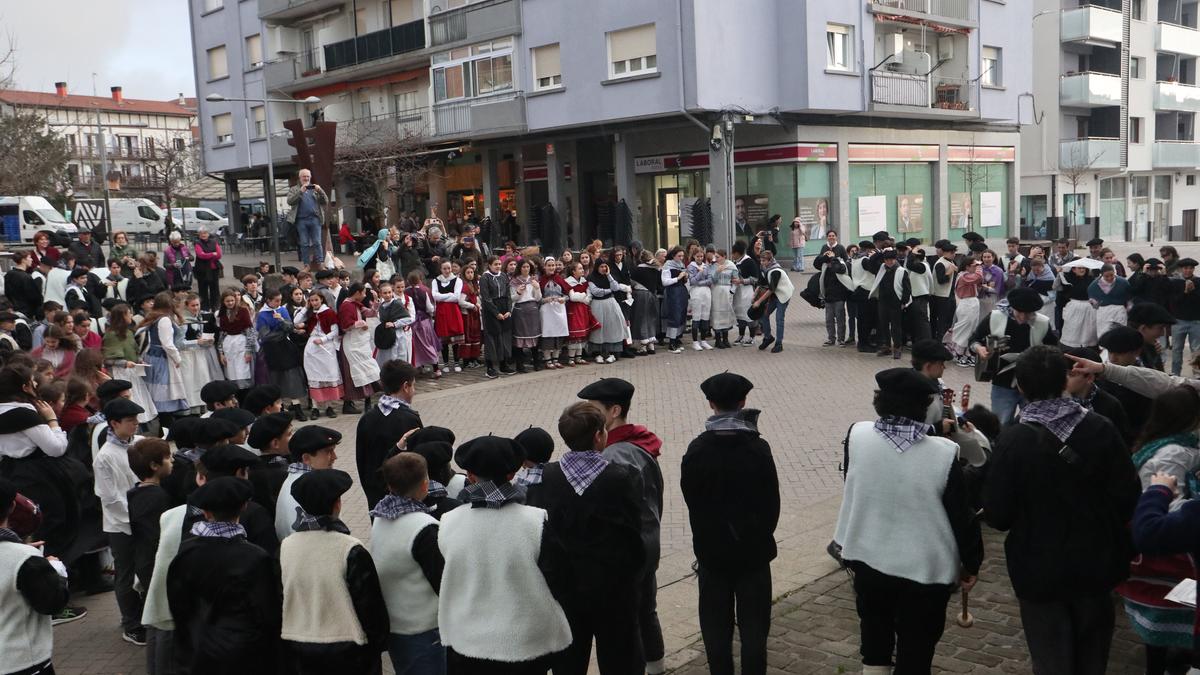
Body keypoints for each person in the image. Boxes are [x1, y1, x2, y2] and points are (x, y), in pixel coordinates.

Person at [983, 346, 1140, 675]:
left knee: (1050, 657)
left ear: (1021, 387)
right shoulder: (1101, 428)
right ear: (1064, 381)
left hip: (1039, 568)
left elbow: (998, 515)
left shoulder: (1012, 441)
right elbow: (1128, 496)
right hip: (1096, 562)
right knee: (1093, 656)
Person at [834, 368, 982, 675]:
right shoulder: (943, 454)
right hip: (924, 570)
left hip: (867, 556)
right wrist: (971, 562)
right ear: (925, 407)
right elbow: (961, 517)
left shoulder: (857, 435)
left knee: (874, 640)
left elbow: (855, 482)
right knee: (917, 647)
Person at [526, 402, 644, 674]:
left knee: (568, 663)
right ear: (599, 436)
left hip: (563, 592)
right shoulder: (622, 477)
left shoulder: (544, 478)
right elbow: (632, 538)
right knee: (620, 660)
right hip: (613, 591)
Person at [438, 435, 572, 672]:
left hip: (468, 642)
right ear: (512, 474)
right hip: (525, 644)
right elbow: (560, 579)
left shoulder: (448, 523)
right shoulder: (535, 522)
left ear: (469, 475)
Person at [681, 372, 778, 675]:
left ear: (711, 403)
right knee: (754, 626)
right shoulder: (758, 449)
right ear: (743, 402)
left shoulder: (697, 450)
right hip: (753, 553)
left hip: (712, 554)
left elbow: (692, 501)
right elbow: (771, 504)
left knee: (715, 626)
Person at [578, 378, 667, 674]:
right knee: (646, 611)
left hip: (631, 549)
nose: (586, 414)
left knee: (628, 618)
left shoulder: (616, 455)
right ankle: (656, 666)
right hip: (648, 538)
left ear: (614, 411)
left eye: (593, 408)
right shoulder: (638, 442)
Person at [1114, 387, 1200, 673]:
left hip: (1152, 535)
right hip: (1165, 550)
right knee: (1166, 609)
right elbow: (1168, 503)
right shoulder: (1174, 452)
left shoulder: (1157, 441)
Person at [167, 477, 283, 675]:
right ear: (244, 506)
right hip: (243, 654)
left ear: (206, 512)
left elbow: (178, 606)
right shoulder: (255, 557)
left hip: (197, 650)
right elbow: (268, 613)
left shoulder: (185, 553)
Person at [281, 469, 389, 674]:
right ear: (337, 504)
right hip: (346, 649)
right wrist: (378, 644)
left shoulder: (286, 547)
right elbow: (370, 606)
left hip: (297, 645)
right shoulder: (350, 549)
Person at [371, 453, 445, 675]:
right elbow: (443, 581)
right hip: (424, 631)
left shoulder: (381, 515)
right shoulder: (424, 527)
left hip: (396, 626)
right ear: (425, 484)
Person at [0, 477, 70, 675]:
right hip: (22, 662)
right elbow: (52, 603)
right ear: (12, 506)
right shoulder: (24, 558)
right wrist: (55, 569)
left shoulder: (22, 556)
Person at [94, 397, 147, 645]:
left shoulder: (140, 444)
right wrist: (135, 517)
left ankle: (145, 615)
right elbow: (110, 497)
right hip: (120, 524)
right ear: (114, 423)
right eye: (130, 421)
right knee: (125, 575)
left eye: (136, 419)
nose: (136, 424)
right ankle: (131, 624)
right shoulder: (105, 456)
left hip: (143, 519)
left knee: (146, 570)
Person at [969, 287, 1060, 425]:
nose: (1022, 317)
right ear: (1012, 307)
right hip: (1002, 382)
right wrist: (979, 349)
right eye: (1019, 312)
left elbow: (1054, 351)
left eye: (1028, 314)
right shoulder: (995, 317)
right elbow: (974, 340)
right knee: (1001, 424)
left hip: (1033, 384)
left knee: (1032, 424)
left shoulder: (1042, 323)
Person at [356, 361, 423, 511]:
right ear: (405, 386)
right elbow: (417, 461)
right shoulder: (409, 419)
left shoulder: (367, 418)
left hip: (375, 498)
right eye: (413, 386)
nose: (414, 391)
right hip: (404, 500)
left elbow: (362, 461)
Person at [274, 424, 341, 542]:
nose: (335, 457)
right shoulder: (306, 490)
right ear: (306, 458)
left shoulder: (298, 482)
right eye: (329, 452)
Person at [138, 293, 189, 427]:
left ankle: (163, 426)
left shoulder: (153, 317)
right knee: (164, 393)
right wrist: (177, 359)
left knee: (157, 392)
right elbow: (167, 343)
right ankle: (167, 427)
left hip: (152, 356)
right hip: (161, 358)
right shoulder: (164, 320)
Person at [337, 283, 379, 414]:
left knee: (367, 369)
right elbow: (345, 325)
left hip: (360, 343)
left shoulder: (356, 304)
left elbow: (370, 313)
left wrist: (376, 301)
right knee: (353, 374)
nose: (364, 296)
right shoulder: (346, 305)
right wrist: (360, 323)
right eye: (363, 293)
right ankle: (350, 403)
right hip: (351, 343)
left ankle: (368, 401)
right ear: (357, 293)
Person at [868, 248, 910, 360]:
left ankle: (897, 347)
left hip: (896, 302)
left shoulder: (901, 271)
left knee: (896, 326)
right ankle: (887, 346)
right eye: (887, 260)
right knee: (883, 325)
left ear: (895, 259)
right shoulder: (882, 268)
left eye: (891, 259)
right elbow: (870, 263)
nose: (889, 262)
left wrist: (904, 302)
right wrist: (880, 253)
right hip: (882, 301)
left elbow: (907, 289)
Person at [287, 168, 330, 268]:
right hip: (301, 220)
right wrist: (300, 192)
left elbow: (325, 201)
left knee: (317, 242)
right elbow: (290, 201)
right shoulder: (294, 189)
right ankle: (306, 264)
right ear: (300, 177)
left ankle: (320, 263)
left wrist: (320, 190)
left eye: (307, 176)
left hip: (314, 219)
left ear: (310, 177)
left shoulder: (314, 189)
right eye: (304, 176)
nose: (306, 178)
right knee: (304, 243)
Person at [588, 259, 628, 363]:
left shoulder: (610, 276)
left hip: (611, 304)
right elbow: (596, 292)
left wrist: (609, 275)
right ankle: (598, 353)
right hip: (598, 305)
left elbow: (615, 287)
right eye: (601, 267)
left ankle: (613, 353)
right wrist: (609, 290)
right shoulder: (591, 278)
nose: (604, 269)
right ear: (597, 267)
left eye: (605, 266)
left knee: (613, 327)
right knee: (598, 329)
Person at [753, 249, 792, 354]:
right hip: (775, 295)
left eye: (764, 261)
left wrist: (759, 301)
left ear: (770, 261)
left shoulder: (775, 271)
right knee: (764, 315)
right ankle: (768, 337)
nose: (762, 263)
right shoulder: (765, 268)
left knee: (779, 319)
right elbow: (761, 283)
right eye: (761, 260)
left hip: (783, 295)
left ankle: (779, 344)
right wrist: (755, 294)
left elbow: (771, 289)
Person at [405, 271, 443, 379]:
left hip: (411, 323)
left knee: (416, 345)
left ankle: (420, 366)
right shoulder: (424, 290)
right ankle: (436, 368)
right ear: (419, 280)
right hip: (424, 322)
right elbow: (430, 308)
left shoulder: (405, 292)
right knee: (428, 344)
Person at [510, 259, 544, 372]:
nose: (526, 269)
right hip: (520, 310)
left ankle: (536, 363)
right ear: (520, 268)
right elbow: (511, 299)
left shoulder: (533, 280)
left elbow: (538, 298)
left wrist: (537, 287)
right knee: (519, 338)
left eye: (528, 267)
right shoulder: (514, 281)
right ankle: (520, 365)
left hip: (532, 310)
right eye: (524, 267)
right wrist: (518, 293)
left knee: (534, 337)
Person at [1169, 257, 1200, 376]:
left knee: (1196, 350)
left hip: (1196, 321)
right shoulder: (1175, 282)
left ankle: (1197, 375)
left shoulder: (1198, 282)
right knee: (1176, 349)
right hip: (1179, 320)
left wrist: (1193, 291)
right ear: (1181, 269)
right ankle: (1175, 374)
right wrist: (1185, 292)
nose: (1188, 271)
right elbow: (1173, 301)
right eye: (1186, 268)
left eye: (1191, 268)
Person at [1088, 263, 1131, 337]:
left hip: (1119, 311)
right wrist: (1094, 303)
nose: (1109, 278)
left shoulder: (1123, 282)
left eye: (1111, 275)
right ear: (1101, 275)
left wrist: (1128, 307)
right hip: (1103, 311)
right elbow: (1093, 302)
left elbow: (1129, 297)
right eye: (1106, 276)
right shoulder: (1094, 285)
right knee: (1103, 333)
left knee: (1120, 333)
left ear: (1114, 272)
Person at [192, 227, 222, 312]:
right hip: (202, 270)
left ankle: (215, 307)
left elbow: (219, 255)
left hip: (213, 269)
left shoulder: (214, 242)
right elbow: (200, 255)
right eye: (201, 233)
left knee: (215, 289)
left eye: (205, 233)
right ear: (199, 235)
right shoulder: (197, 243)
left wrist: (207, 254)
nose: (203, 235)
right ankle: (204, 308)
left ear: (208, 234)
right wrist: (212, 254)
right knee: (203, 290)